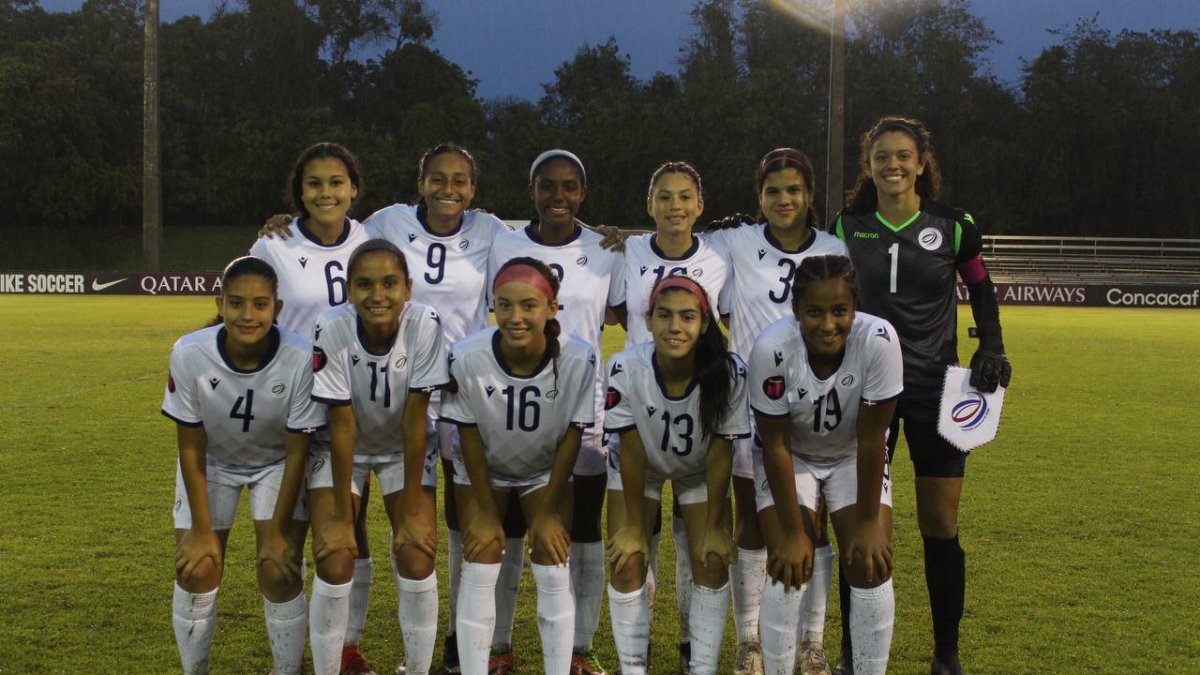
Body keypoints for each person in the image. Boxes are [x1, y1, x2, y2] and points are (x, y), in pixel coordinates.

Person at [262, 142, 513, 674]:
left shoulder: (469, 241)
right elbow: (343, 424)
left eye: (460, 180)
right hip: (323, 410)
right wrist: (284, 221)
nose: (449, 188)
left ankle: (441, 651)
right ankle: (339, 650)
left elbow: (544, 249)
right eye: (315, 185)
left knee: (428, 534)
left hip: (434, 403)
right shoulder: (375, 233)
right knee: (334, 542)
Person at [833, 116, 1012, 675]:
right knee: (863, 522)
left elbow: (981, 288)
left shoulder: (953, 227)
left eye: (903, 156)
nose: (893, 165)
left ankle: (947, 654)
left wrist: (992, 345)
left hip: (937, 390)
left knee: (940, 524)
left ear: (920, 163)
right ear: (869, 166)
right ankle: (851, 652)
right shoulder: (846, 225)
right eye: (882, 156)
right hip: (868, 393)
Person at [703, 148, 847, 674]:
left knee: (814, 523)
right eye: (772, 191)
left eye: (793, 190)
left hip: (816, 400)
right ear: (757, 197)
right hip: (748, 401)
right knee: (754, 525)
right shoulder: (736, 242)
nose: (783, 200)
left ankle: (812, 643)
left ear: (809, 195)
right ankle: (751, 643)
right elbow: (676, 248)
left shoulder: (834, 246)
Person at [486, 149, 625, 675]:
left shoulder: (606, 249)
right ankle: (500, 646)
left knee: (583, 529)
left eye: (569, 187)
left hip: (583, 412)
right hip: (512, 408)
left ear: (583, 193)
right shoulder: (505, 243)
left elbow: (626, 314)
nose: (558, 196)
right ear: (532, 191)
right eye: (548, 186)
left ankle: (579, 650)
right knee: (512, 529)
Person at [251, 142, 379, 674]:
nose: (325, 192)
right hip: (287, 407)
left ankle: (344, 646)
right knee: (289, 536)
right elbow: (254, 315)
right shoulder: (275, 244)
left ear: (353, 188)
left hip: (352, 404)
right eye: (314, 184)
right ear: (299, 193)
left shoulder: (371, 241)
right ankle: (294, 655)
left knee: (350, 528)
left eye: (335, 182)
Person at [164, 256, 326, 675]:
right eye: (236, 304)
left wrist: (276, 533)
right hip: (212, 463)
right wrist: (201, 532)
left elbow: (297, 450)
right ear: (220, 303)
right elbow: (191, 446)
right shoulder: (189, 352)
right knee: (197, 567)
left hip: (277, 464)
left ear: (278, 308)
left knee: (278, 567)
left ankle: (288, 669)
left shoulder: (300, 357)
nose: (248, 315)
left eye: (260, 304)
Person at [439, 257, 598, 675]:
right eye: (504, 305)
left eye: (529, 305)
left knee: (551, 550)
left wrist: (547, 512)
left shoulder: (579, 359)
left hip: (544, 470)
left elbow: (571, 437)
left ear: (552, 308)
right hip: (481, 470)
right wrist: (487, 512)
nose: (515, 317)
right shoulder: (468, 355)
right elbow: (468, 435)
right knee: (484, 549)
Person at [749, 254, 902, 675]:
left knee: (870, 562)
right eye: (814, 312)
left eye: (840, 311)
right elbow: (775, 444)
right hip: (790, 455)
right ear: (796, 310)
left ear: (855, 308)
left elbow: (873, 439)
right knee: (788, 561)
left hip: (853, 454)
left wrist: (870, 521)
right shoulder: (771, 349)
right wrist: (794, 532)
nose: (828, 324)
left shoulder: (879, 340)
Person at [308, 239, 450, 675]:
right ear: (348, 290)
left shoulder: (425, 323)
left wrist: (410, 505)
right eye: (365, 284)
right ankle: (335, 663)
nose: (378, 295)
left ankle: (417, 668)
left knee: (416, 550)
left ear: (408, 287)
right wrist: (340, 513)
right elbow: (341, 423)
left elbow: (414, 419)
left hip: (401, 448)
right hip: (338, 444)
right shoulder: (331, 325)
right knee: (334, 553)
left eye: (390, 283)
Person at [613, 161, 731, 671]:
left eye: (685, 197)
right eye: (664, 196)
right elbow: (620, 310)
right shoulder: (628, 251)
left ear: (700, 206)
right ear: (649, 203)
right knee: (631, 547)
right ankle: (633, 661)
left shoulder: (720, 258)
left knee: (703, 548)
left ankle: (694, 655)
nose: (675, 206)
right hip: (642, 406)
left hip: (697, 411)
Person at [604, 276, 750, 675]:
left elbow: (723, 450)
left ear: (704, 323)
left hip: (700, 470)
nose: (675, 327)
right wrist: (635, 524)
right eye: (664, 316)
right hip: (641, 468)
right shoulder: (624, 366)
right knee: (627, 556)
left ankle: (701, 667)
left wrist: (718, 524)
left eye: (687, 317)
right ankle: (633, 667)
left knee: (713, 556)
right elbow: (630, 447)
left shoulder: (730, 370)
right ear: (648, 320)